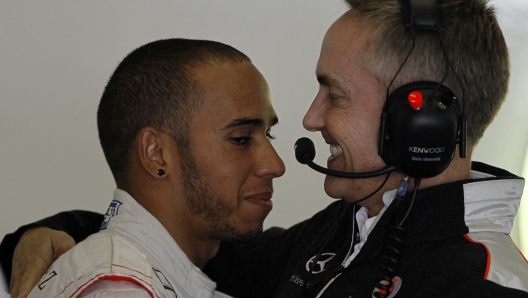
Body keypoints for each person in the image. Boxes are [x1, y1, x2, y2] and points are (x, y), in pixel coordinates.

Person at [2, 0, 528, 297]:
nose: (311, 117)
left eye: (334, 95)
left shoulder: (484, 284)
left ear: (421, 121)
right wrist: (53, 235)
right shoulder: (340, 231)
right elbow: (184, 243)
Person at [11, 38, 286, 297]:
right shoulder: (117, 287)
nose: (275, 165)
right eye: (241, 139)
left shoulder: (139, 277)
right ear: (156, 154)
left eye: (269, 135)